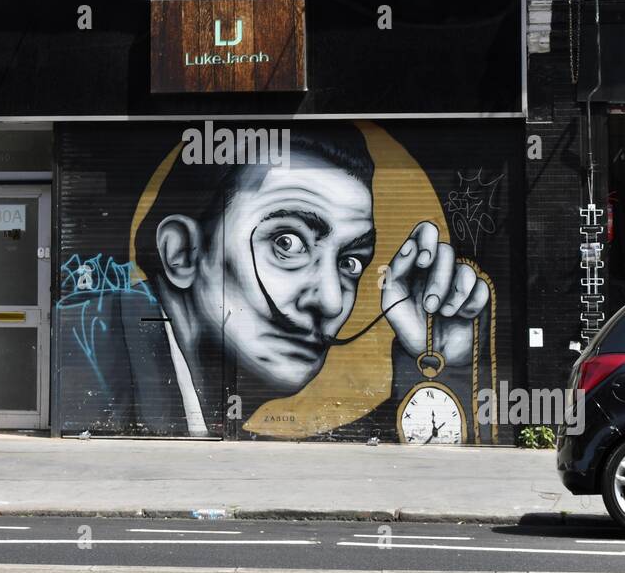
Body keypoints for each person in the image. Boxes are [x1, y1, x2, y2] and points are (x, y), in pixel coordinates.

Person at [62, 124, 489, 436]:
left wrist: (434, 360)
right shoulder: (89, 353)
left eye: (350, 262)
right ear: (182, 252)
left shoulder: (200, 418)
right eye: (288, 242)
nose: (331, 302)